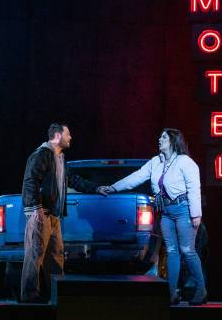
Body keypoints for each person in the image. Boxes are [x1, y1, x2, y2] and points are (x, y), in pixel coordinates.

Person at [97, 128, 206, 305]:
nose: (159, 139)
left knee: (187, 250)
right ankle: (171, 294)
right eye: (160, 136)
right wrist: (114, 187)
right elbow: (137, 176)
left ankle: (201, 291)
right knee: (171, 251)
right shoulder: (155, 162)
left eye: (163, 137)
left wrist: (196, 214)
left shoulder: (185, 162)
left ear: (173, 140)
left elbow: (194, 188)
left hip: (184, 209)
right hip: (166, 213)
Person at [21, 122, 100, 303]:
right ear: (57, 136)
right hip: (40, 213)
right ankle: (29, 295)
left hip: (54, 216)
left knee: (55, 256)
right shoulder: (41, 155)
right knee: (35, 255)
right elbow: (30, 181)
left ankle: (56, 295)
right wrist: (35, 208)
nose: (70, 137)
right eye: (68, 134)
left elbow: (73, 180)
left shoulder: (60, 158)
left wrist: (97, 188)